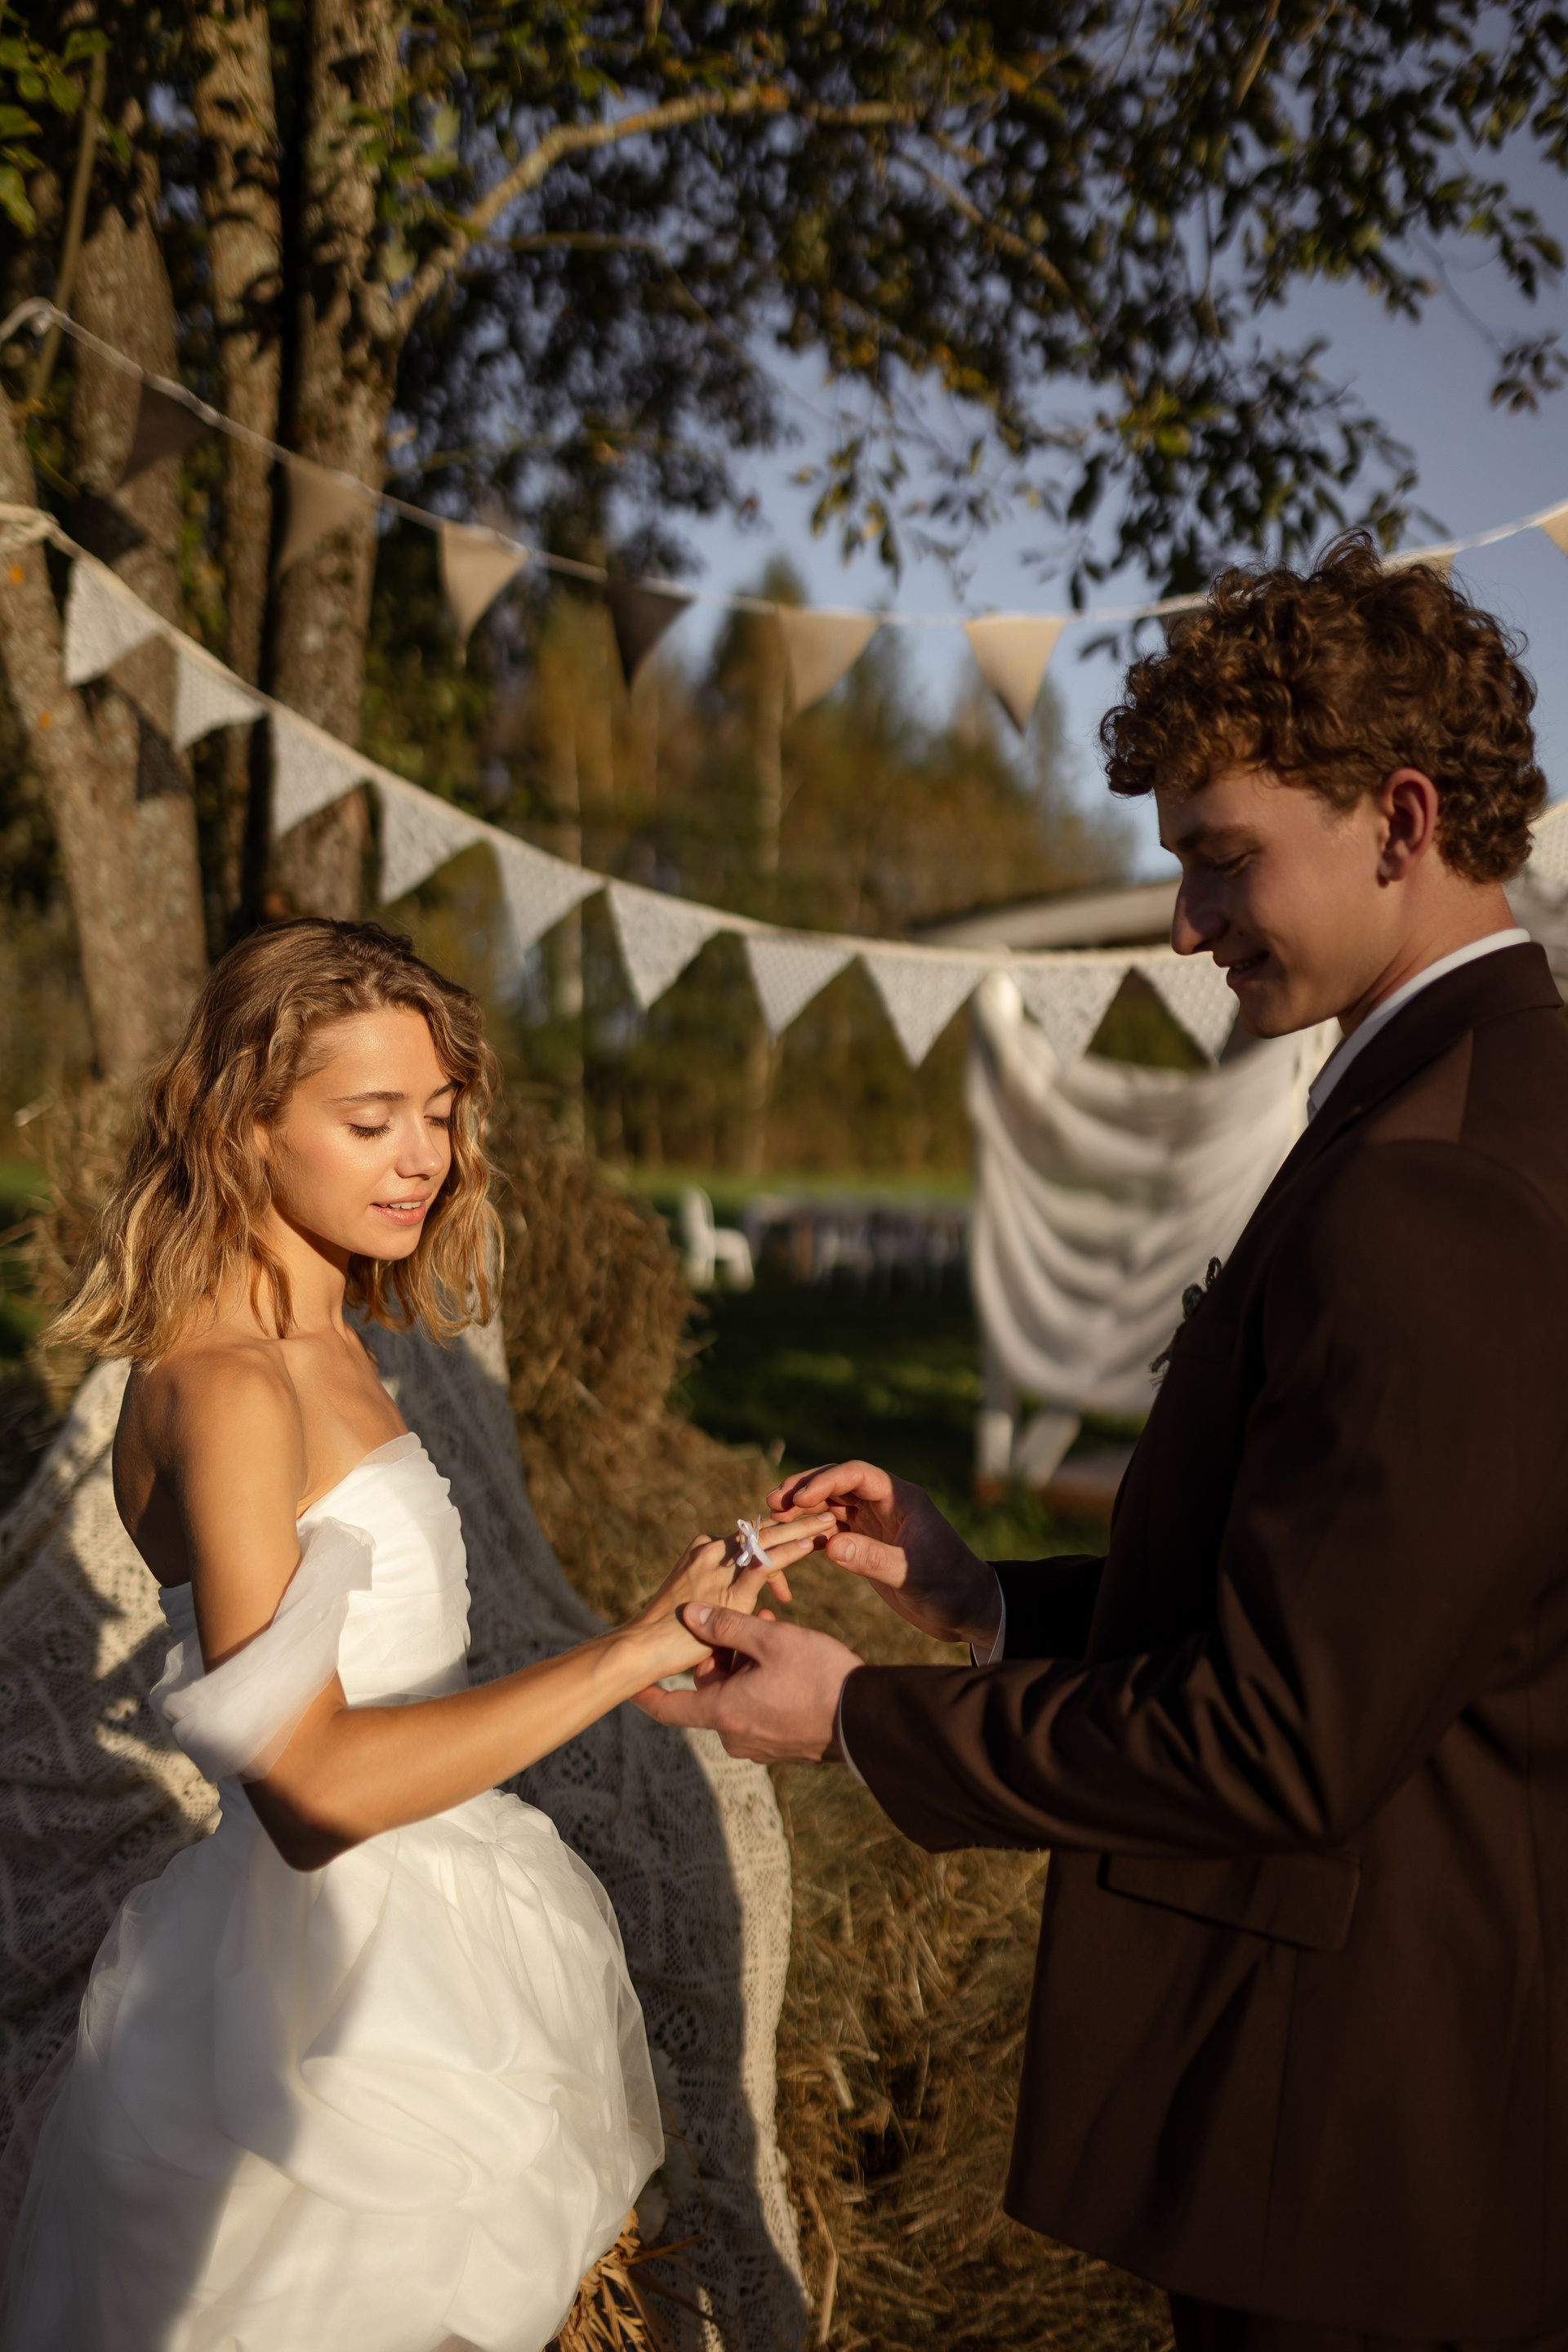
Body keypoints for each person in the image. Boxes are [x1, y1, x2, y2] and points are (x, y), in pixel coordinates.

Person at [642, 534, 1568, 2351]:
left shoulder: (1444, 1185)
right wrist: (987, 1601)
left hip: (1376, 2147)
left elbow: (1286, 1738)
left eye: (1223, 859)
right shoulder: (1459, 1099)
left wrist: (858, 1720)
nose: (1186, 925)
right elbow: (1343, 1594)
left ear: (1400, 820)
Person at [0, 917, 827, 2352]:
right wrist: (622, 1658)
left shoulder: (338, 1339)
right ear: (244, 1125)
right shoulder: (230, 1387)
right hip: (324, 2019)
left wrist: (665, 1620)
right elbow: (310, 1792)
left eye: (439, 1115)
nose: (422, 1158)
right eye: (370, 1119)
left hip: (444, 1946)